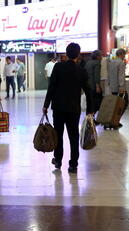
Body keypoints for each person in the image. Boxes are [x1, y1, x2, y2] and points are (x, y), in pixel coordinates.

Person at [43, 43, 93, 173]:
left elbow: (51, 87)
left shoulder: (58, 67)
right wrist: (90, 110)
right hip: (73, 108)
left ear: (66, 53)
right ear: (78, 54)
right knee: (73, 136)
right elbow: (88, 91)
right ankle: (73, 164)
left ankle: (58, 160)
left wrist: (46, 105)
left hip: (58, 107)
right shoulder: (81, 70)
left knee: (58, 134)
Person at [108, 48, 128, 128]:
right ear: (122, 54)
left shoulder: (111, 62)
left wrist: (109, 84)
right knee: (124, 102)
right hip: (119, 88)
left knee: (114, 104)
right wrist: (121, 86)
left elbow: (109, 75)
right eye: (124, 55)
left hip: (112, 87)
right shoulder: (121, 63)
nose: (124, 56)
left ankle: (111, 121)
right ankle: (115, 120)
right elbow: (121, 76)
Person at [85, 50, 103, 116]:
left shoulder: (88, 62)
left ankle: (88, 118)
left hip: (87, 86)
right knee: (96, 103)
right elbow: (96, 75)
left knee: (89, 102)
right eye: (101, 55)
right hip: (93, 86)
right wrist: (97, 86)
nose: (102, 57)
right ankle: (92, 118)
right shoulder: (97, 63)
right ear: (98, 56)